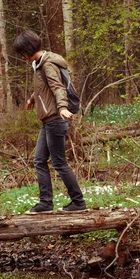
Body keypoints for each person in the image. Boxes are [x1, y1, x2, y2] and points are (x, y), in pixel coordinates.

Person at [13, 30, 87, 214]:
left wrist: (62, 107)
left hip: (55, 119)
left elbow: (57, 87)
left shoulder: (47, 65)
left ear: (27, 50)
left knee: (59, 162)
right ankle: (46, 203)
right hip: (49, 120)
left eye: (22, 53)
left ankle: (78, 202)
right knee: (39, 160)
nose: (22, 57)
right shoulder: (40, 64)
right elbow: (43, 88)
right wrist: (32, 99)